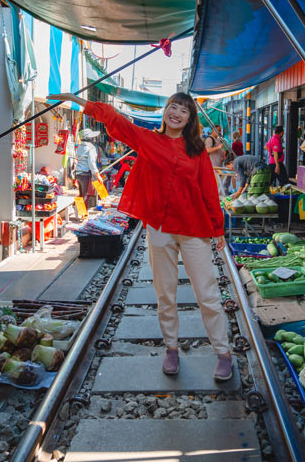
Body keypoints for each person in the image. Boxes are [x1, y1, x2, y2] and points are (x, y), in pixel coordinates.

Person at [50, 91, 233, 381]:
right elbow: (116, 121)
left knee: (207, 293)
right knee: (165, 293)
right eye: (173, 106)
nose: (177, 113)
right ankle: (170, 348)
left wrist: (217, 227)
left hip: (194, 228)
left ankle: (223, 353)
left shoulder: (196, 150)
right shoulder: (148, 139)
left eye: (184, 110)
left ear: (189, 119)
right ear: (165, 111)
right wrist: (78, 100)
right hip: (159, 228)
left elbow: (209, 190)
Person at [75, 128, 101, 211]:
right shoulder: (91, 148)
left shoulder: (79, 147)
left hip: (78, 173)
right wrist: (98, 175)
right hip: (85, 174)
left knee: (80, 194)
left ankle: (80, 213)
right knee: (85, 195)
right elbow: (92, 163)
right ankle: (82, 214)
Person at [204, 125, 228, 195]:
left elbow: (219, 151)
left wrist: (223, 156)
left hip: (218, 166)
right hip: (212, 167)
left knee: (218, 185)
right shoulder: (209, 139)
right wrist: (218, 147)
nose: (219, 132)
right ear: (213, 130)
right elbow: (207, 150)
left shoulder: (217, 140)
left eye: (220, 130)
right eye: (218, 130)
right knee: (214, 185)